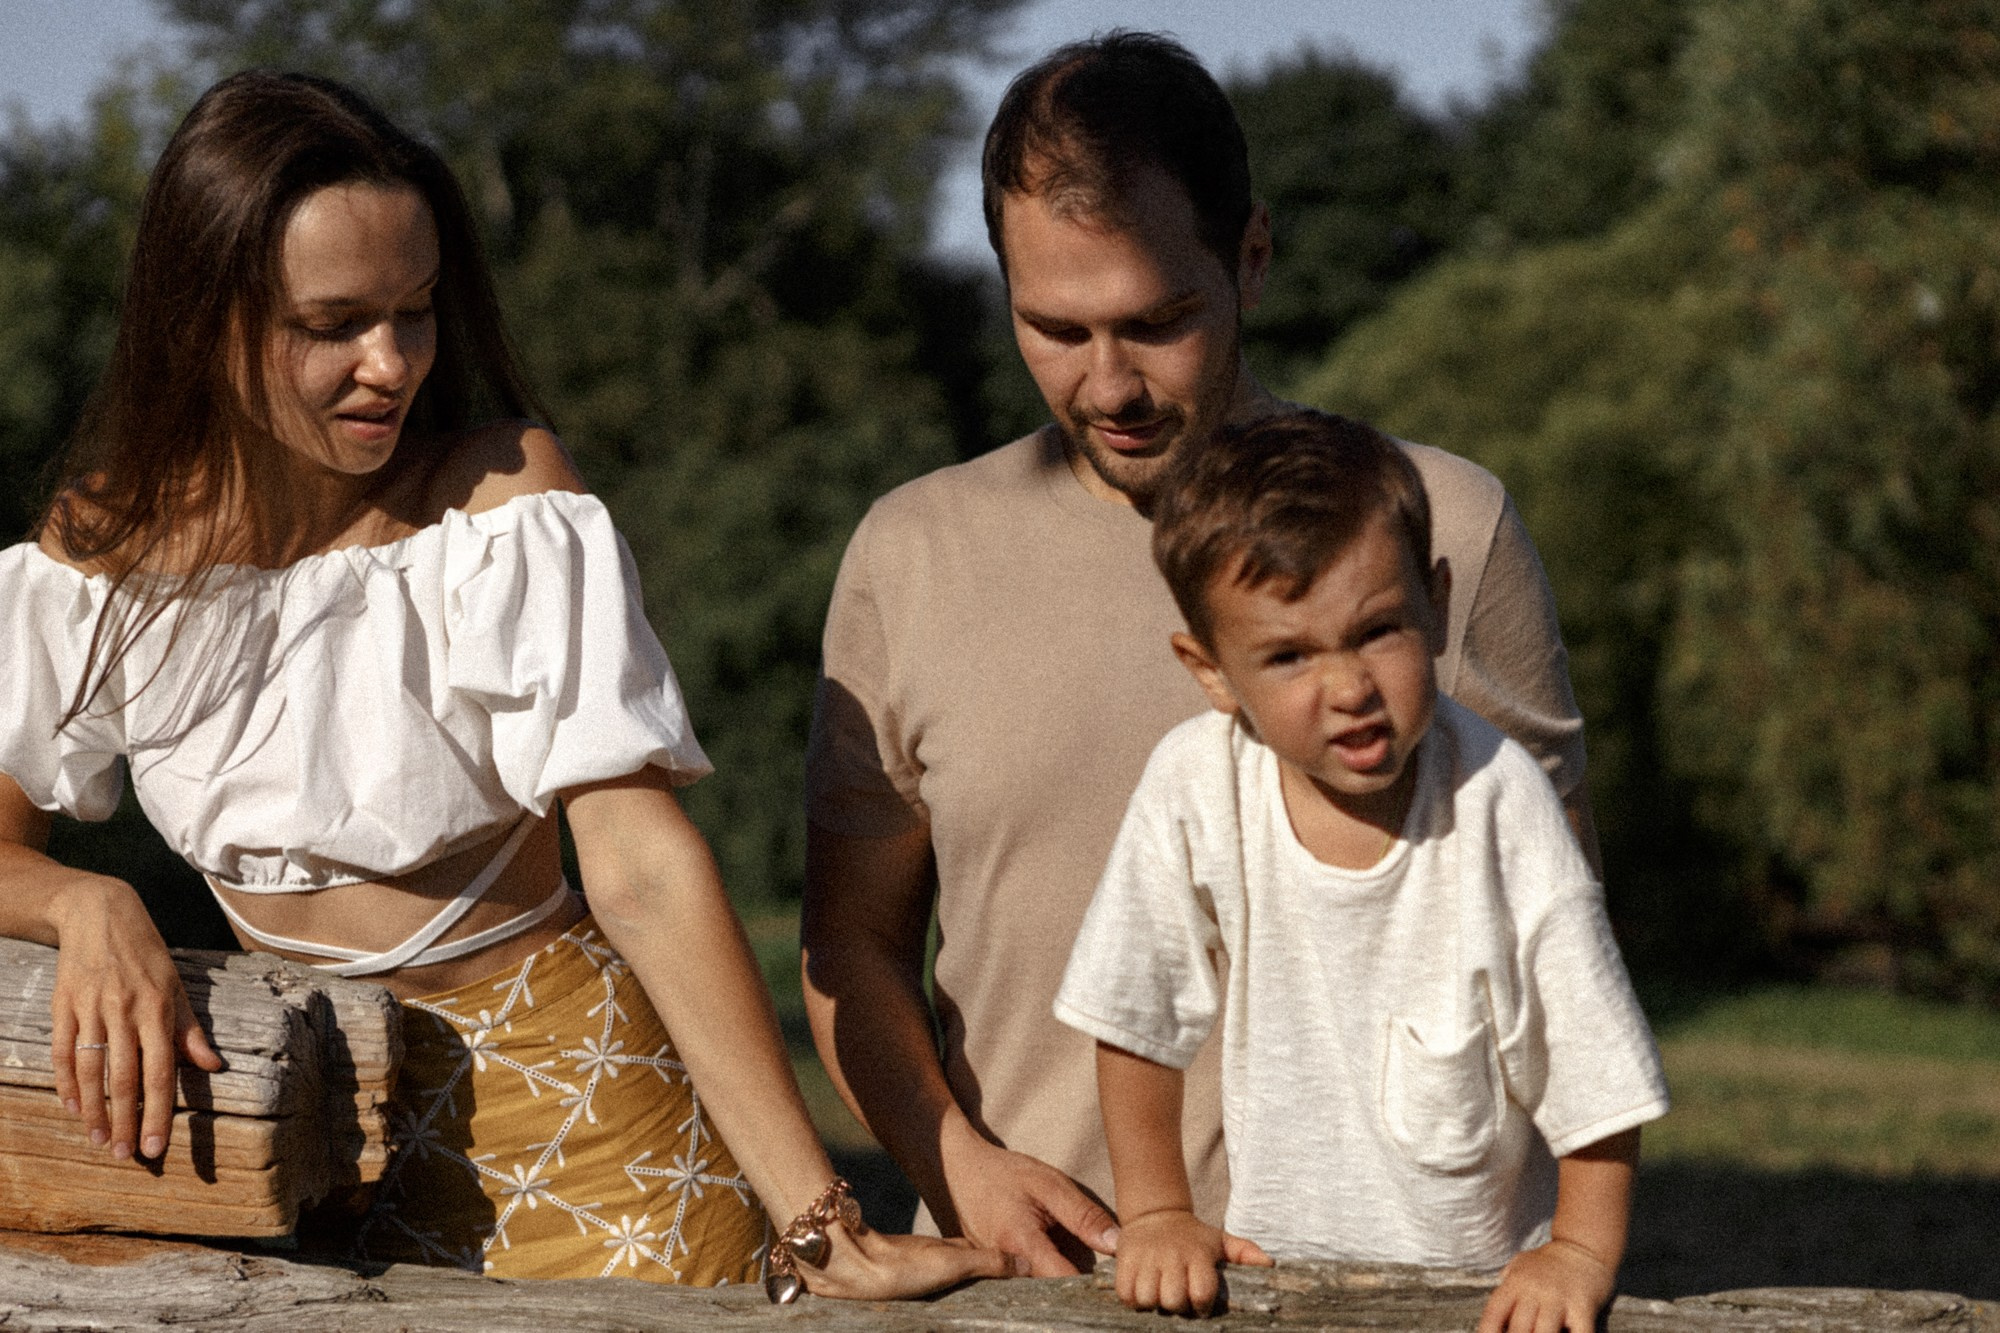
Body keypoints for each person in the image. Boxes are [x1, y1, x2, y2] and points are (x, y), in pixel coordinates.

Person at [0, 70, 1004, 1300]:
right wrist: (88, 906)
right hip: (290, 1174)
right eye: (334, 323)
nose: (391, 364)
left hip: (593, 1147)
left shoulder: (497, 504)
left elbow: (637, 866)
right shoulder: (99, 559)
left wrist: (819, 1221)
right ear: (201, 317)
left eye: (415, 311)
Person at [802, 31, 1600, 1276]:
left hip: (1393, 1297)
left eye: (1156, 321)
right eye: (1053, 328)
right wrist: (956, 1165)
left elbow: (1558, 955)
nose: (1106, 383)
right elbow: (848, 946)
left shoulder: (1443, 528)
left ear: (1252, 257)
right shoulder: (910, 553)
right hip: (1020, 1293)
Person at [1054, 409, 1668, 1329]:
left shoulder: (1500, 799)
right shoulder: (1197, 784)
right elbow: (1134, 1014)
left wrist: (1577, 1251)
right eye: (1290, 654)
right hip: (1273, 1289)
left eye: (1378, 631)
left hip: (1478, 1293)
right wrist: (1157, 1212)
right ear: (1212, 671)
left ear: (1438, 605)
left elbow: (1592, 1063)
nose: (1348, 688)